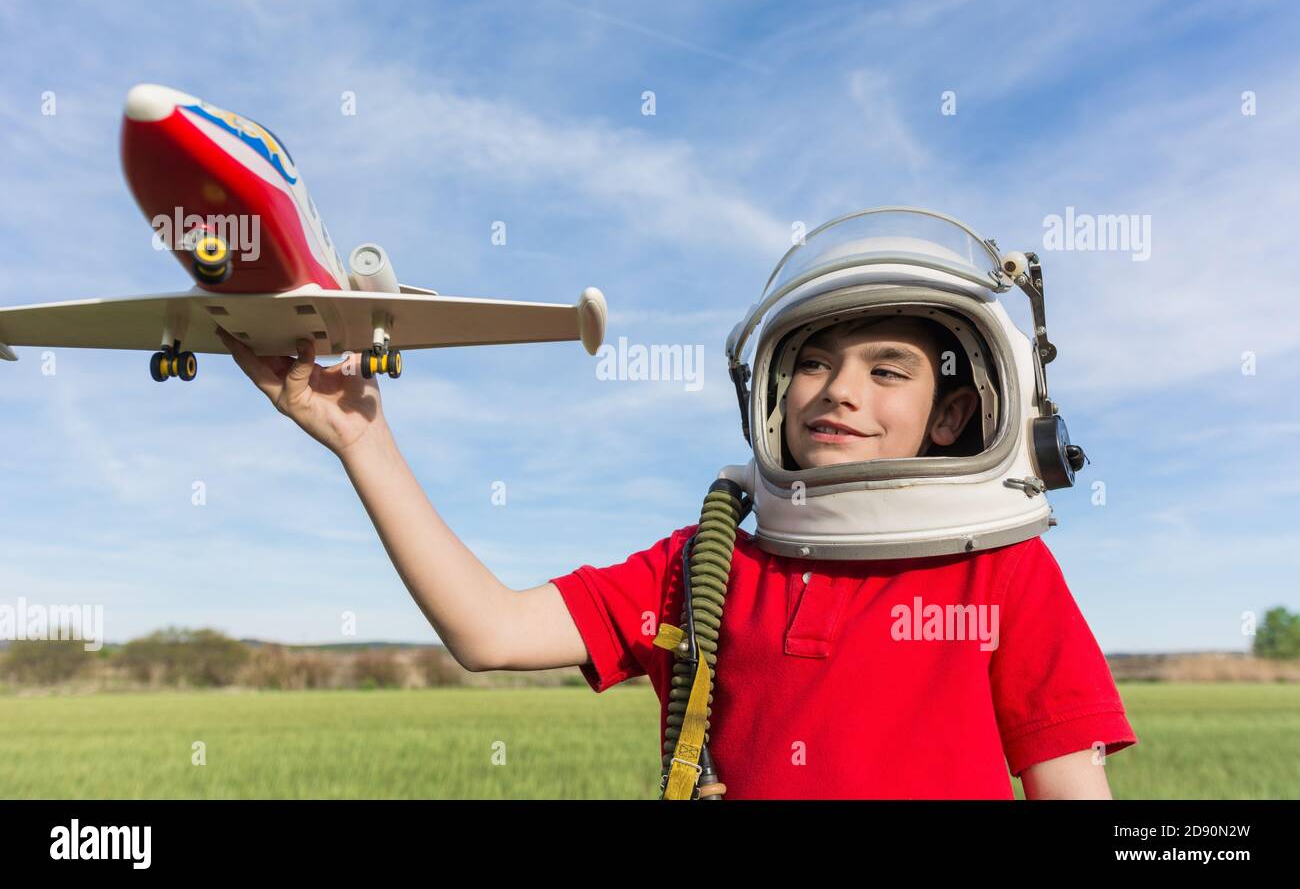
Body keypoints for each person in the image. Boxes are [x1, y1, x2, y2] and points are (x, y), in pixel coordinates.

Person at [214, 291, 1138, 799]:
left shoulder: (1000, 566)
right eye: (814, 361)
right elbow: (490, 631)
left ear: (956, 417)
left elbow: (1069, 789)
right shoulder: (710, 559)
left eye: (885, 370)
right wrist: (361, 439)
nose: (837, 390)